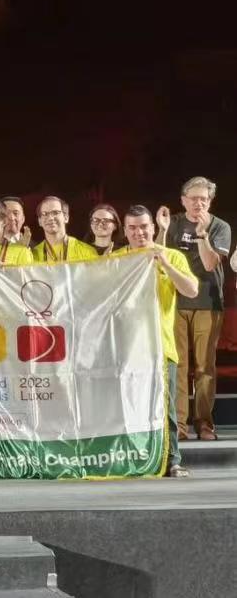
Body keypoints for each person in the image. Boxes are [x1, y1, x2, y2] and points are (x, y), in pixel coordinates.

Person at [114, 205, 198, 477]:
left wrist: (165, 265)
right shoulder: (115, 260)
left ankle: (173, 460)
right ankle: (132, 459)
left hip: (161, 346)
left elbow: (192, 290)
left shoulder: (171, 255)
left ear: (153, 227)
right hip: (125, 348)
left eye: (143, 227)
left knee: (166, 408)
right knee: (127, 406)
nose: (139, 232)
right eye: (132, 228)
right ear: (125, 231)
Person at [160, 177, 231, 442]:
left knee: (204, 367)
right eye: (193, 198)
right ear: (183, 200)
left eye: (204, 199)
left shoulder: (220, 226)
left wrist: (202, 235)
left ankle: (204, 424)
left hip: (207, 303)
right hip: (175, 303)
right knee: (178, 365)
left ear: (210, 202)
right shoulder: (174, 223)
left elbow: (211, 264)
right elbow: (157, 253)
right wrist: (161, 229)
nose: (198, 203)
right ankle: (178, 425)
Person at [33, 197, 99, 263]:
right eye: (44, 214)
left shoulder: (87, 251)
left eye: (55, 212)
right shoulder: (33, 255)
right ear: (40, 221)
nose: (50, 218)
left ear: (66, 217)